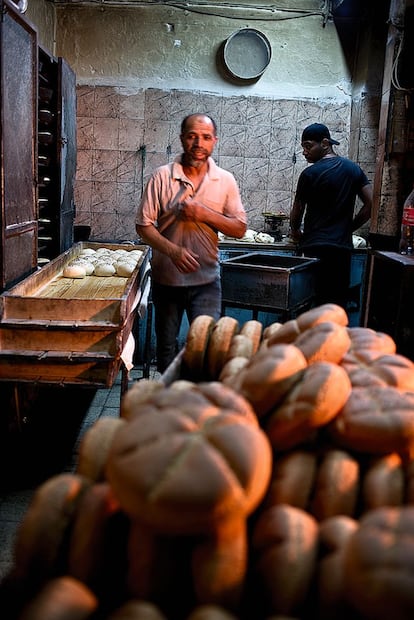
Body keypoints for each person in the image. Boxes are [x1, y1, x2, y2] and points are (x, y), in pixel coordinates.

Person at [136, 113, 247, 373]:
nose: (199, 143)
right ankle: (167, 403)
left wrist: (203, 213)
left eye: (206, 137)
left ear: (214, 141)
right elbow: (143, 226)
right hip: (168, 281)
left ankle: (198, 402)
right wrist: (173, 251)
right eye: (192, 136)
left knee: (207, 346)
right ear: (182, 139)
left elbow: (240, 228)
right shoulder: (161, 177)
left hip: (207, 281)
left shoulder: (225, 180)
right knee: (166, 347)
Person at [289, 122, 372, 310]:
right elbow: (370, 204)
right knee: (335, 307)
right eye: (303, 147)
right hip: (340, 250)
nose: (304, 152)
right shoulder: (353, 170)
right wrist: (348, 228)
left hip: (314, 248)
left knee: (311, 303)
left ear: (325, 143)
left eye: (308, 146)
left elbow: (298, 208)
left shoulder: (309, 174)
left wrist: (294, 231)